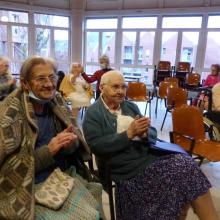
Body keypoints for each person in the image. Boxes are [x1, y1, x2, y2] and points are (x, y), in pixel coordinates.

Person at [83, 70, 218, 220]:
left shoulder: (129, 106)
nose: (121, 91)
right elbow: (96, 146)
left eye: (123, 87)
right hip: (125, 168)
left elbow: (152, 133)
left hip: (147, 158)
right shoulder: (93, 113)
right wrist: (127, 134)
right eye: (115, 87)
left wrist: (145, 132)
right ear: (102, 88)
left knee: (187, 165)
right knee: (183, 173)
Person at [0, 56, 103, 220]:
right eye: (40, 78)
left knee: (95, 206)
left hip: (60, 175)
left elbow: (75, 145)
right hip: (27, 187)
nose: (49, 84)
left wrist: (70, 143)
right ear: (25, 83)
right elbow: (8, 172)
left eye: (52, 77)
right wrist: (49, 151)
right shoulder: (9, 114)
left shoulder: (57, 102)